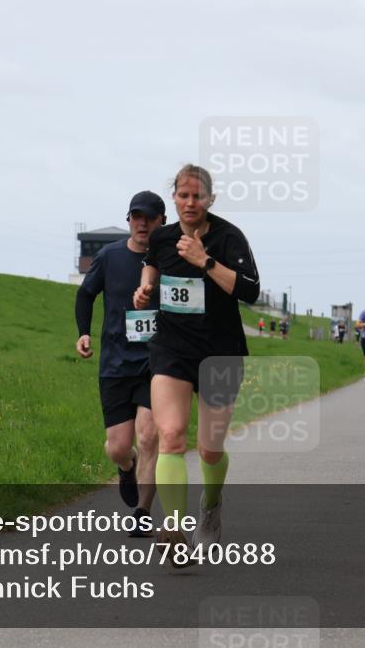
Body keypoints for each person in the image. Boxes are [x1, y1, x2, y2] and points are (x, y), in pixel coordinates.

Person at [133, 164, 260, 565]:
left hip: (220, 351)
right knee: (170, 436)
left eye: (198, 196)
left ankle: (212, 503)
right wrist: (146, 288)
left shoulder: (228, 237)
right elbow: (152, 264)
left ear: (210, 199)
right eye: (183, 196)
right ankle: (174, 528)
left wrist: (206, 261)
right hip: (172, 348)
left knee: (208, 449)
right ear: (174, 198)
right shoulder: (163, 238)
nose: (190, 203)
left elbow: (250, 291)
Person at [75, 191, 166, 537]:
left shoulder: (169, 260)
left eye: (149, 217)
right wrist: (83, 333)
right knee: (117, 446)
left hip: (156, 363)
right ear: (129, 220)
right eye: (136, 217)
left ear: (162, 222)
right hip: (115, 363)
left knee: (148, 436)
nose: (142, 223)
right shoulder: (109, 256)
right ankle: (126, 467)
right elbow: (86, 294)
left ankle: (142, 512)